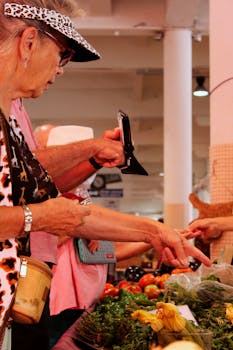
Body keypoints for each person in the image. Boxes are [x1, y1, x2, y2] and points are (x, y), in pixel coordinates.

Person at [0, 0, 211, 347]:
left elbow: (71, 216)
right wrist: (35, 217)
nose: (61, 68)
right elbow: (46, 212)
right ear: (28, 43)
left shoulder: (14, 126)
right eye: (63, 54)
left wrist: (155, 231)